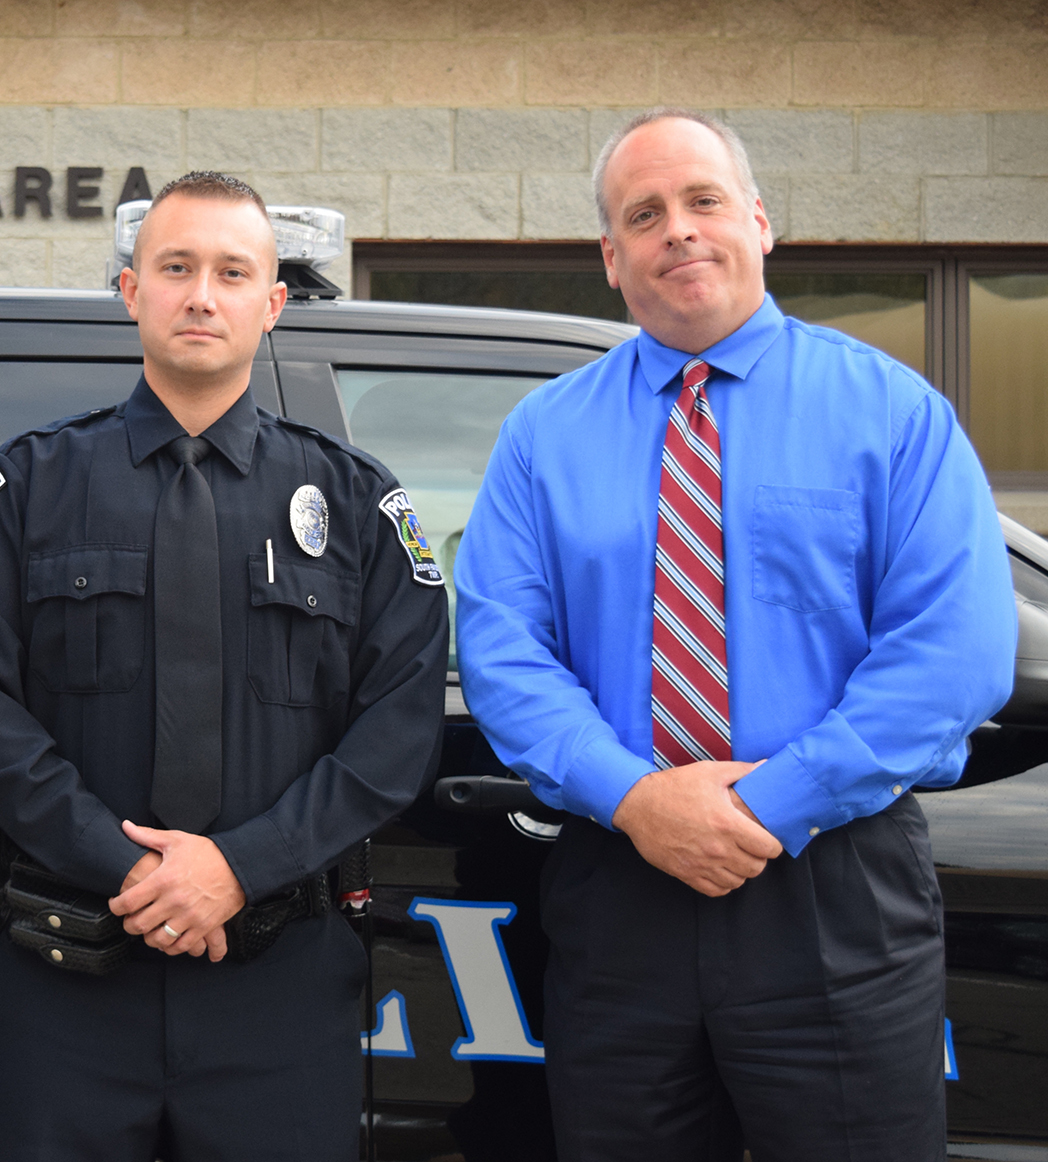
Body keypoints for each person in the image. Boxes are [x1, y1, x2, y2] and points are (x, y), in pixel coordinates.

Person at [454, 108, 1016, 1161]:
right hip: (620, 887)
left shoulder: (893, 411)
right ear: (611, 259)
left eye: (704, 200)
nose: (680, 229)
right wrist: (634, 798)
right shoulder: (544, 435)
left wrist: (762, 804)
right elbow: (503, 651)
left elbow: (954, 652)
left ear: (759, 220)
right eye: (645, 214)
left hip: (833, 884)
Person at [0, 172, 451, 1159]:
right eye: (176, 267)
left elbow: (399, 727)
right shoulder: (30, 483)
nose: (202, 294)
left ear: (272, 302)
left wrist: (239, 869)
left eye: (231, 271)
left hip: (278, 988)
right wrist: (137, 870)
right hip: (66, 979)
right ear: (132, 290)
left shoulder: (357, 505)